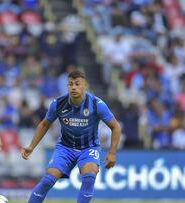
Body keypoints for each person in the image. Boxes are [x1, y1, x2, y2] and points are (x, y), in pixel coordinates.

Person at [22, 70, 121, 203]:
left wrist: (112, 153)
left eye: (77, 84)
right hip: (65, 148)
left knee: (89, 177)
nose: (73, 87)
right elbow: (44, 124)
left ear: (84, 86)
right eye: (70, 84)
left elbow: (116, 127)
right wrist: (31, 146)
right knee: (47, 180)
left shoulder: (96, 104)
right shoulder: (58, 103)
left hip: (88, 148)